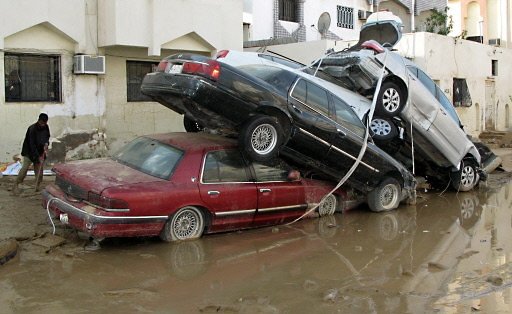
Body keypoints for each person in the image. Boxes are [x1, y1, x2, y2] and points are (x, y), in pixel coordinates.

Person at [12, 113, 50, 194]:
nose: (43, 125)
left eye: (45, 123)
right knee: (24, 168)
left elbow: (47, 137)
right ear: (39, 121)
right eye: (42, 123)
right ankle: (16, 184)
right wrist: (37, 156)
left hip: (40, 151)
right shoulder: (32, 129)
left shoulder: (46, 127)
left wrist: (46, 144)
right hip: (29, 152)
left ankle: (37, 186)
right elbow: (32, 145)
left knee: (39, 171)